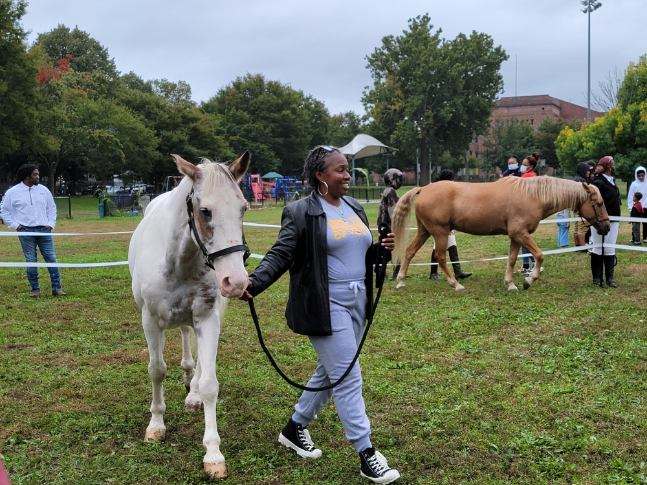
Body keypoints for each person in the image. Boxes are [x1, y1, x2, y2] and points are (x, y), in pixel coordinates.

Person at [242, 146, 401, 484]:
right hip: (326, 303)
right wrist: (254, 283)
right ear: (320, 176)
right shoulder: (300, 211)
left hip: (359, 301)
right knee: (348, 375)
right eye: (340, 170)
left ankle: (294, 427)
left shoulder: (354, 206)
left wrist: (378, 250)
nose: (347, 176)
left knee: (331, 373)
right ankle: (366, 453)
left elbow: (358, 252)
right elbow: (281, 254)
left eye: (346, 170)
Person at [0, 164, 65, 297]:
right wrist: (16, 226)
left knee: (51, 258)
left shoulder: (43, 190)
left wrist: (51, 224)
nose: (38, 176)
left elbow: (51, 208)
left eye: (38, 174)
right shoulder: (12, 192)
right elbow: (4, 211)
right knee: (31, 260)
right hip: (25, 231)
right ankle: (35, 290)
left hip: (44, 230)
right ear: (27, 176)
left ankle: (57, 289)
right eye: (35, 174)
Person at [429, 169, 472, 281]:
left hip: (448, 223)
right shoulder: (439, 189)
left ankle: (457, 271)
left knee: (452, 246)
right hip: (440, 222)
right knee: (437, 247)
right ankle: (433, 272)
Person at [590, 155, 621, 288]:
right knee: (597, 247)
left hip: (614, 218)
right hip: (600, 219)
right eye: (612, 163)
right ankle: (597, 278)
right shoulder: (598, 181)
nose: (614, 165)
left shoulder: (612, 180)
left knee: (610, 247)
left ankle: (610, 278)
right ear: (608, 166)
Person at [378, 168, 404, 281]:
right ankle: (392, 273)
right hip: (388, 225)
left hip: (384, 224)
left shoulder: (387, 190)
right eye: (399, 179)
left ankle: (394, 272)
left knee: (388, 249)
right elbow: (394, 210)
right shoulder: (391, 192)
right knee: (391, 249)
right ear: (393, 179)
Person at [519, 155, 539, 274]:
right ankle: (527, 265)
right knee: (523, 240)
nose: (522, 166)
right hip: (526, 211)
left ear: (530, 166)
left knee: (524, 240)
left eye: (524, 164)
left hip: (525, 212)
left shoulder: (529, 177)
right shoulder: (531, 176)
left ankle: (532, 264)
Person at [573, 161, 594, 248]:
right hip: (582, 207)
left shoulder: (575, 179)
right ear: (583, 170)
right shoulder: (582, 180)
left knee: (577, 227)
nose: (589, 172)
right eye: (587, 170)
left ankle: (577, 245)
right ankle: (583, 247)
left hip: (576, 206)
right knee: (583, 227)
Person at [627, 166, 647, 243]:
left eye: (642, 175)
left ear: (645, 175)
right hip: (636, 207)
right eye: (639, 176)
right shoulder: (634, 184)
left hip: (645, 207)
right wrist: (630, 207)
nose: (641, 177)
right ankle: (634, 238)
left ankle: (645, 237)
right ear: (636, 175)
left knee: (645, 223)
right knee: (635, 224)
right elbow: (630, 196)